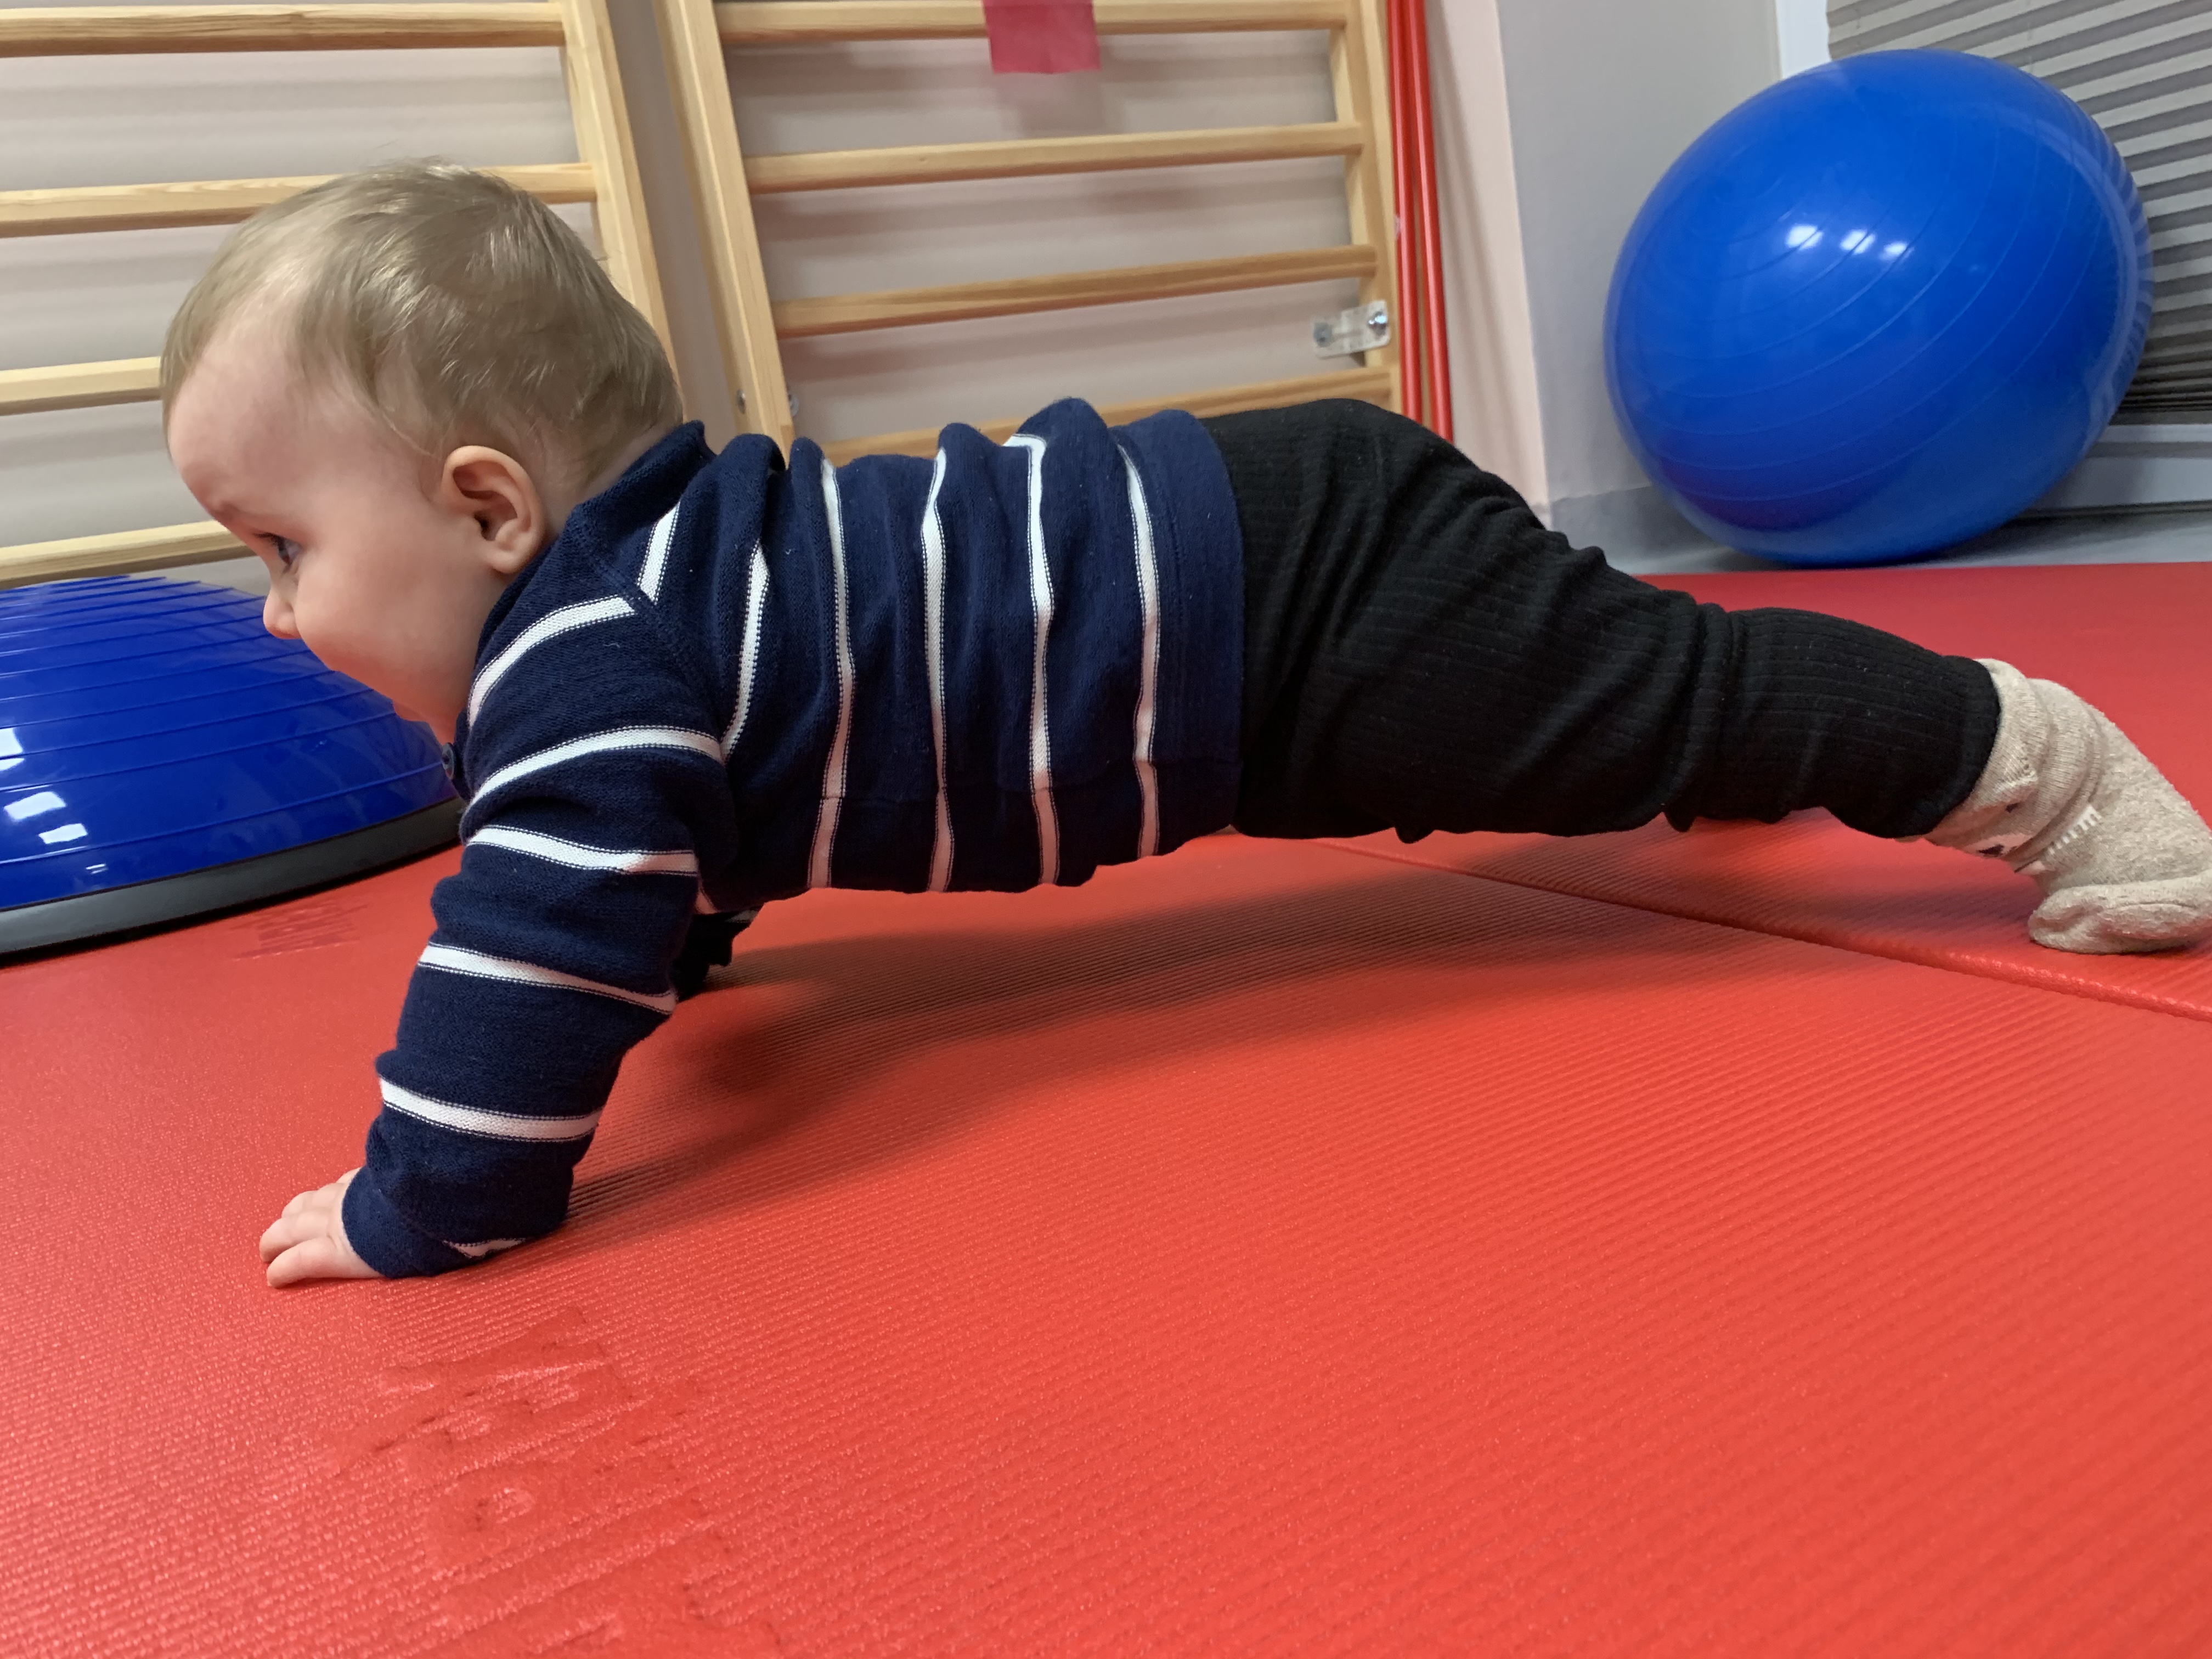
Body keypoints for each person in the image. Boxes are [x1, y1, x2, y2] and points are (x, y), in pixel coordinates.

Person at [156, 163, 2212, 1286]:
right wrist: (689, 944)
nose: (272, 611)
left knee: (1657, 695)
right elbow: (688, 835)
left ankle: (2042, 766)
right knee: (1632, 691)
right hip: (1258, 562)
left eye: (281, 546)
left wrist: (428, 1201)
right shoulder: (668, 603)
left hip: (1295, 613)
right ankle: (1719, 751)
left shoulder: (583, 666)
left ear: (488, 510)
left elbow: (530, 958)